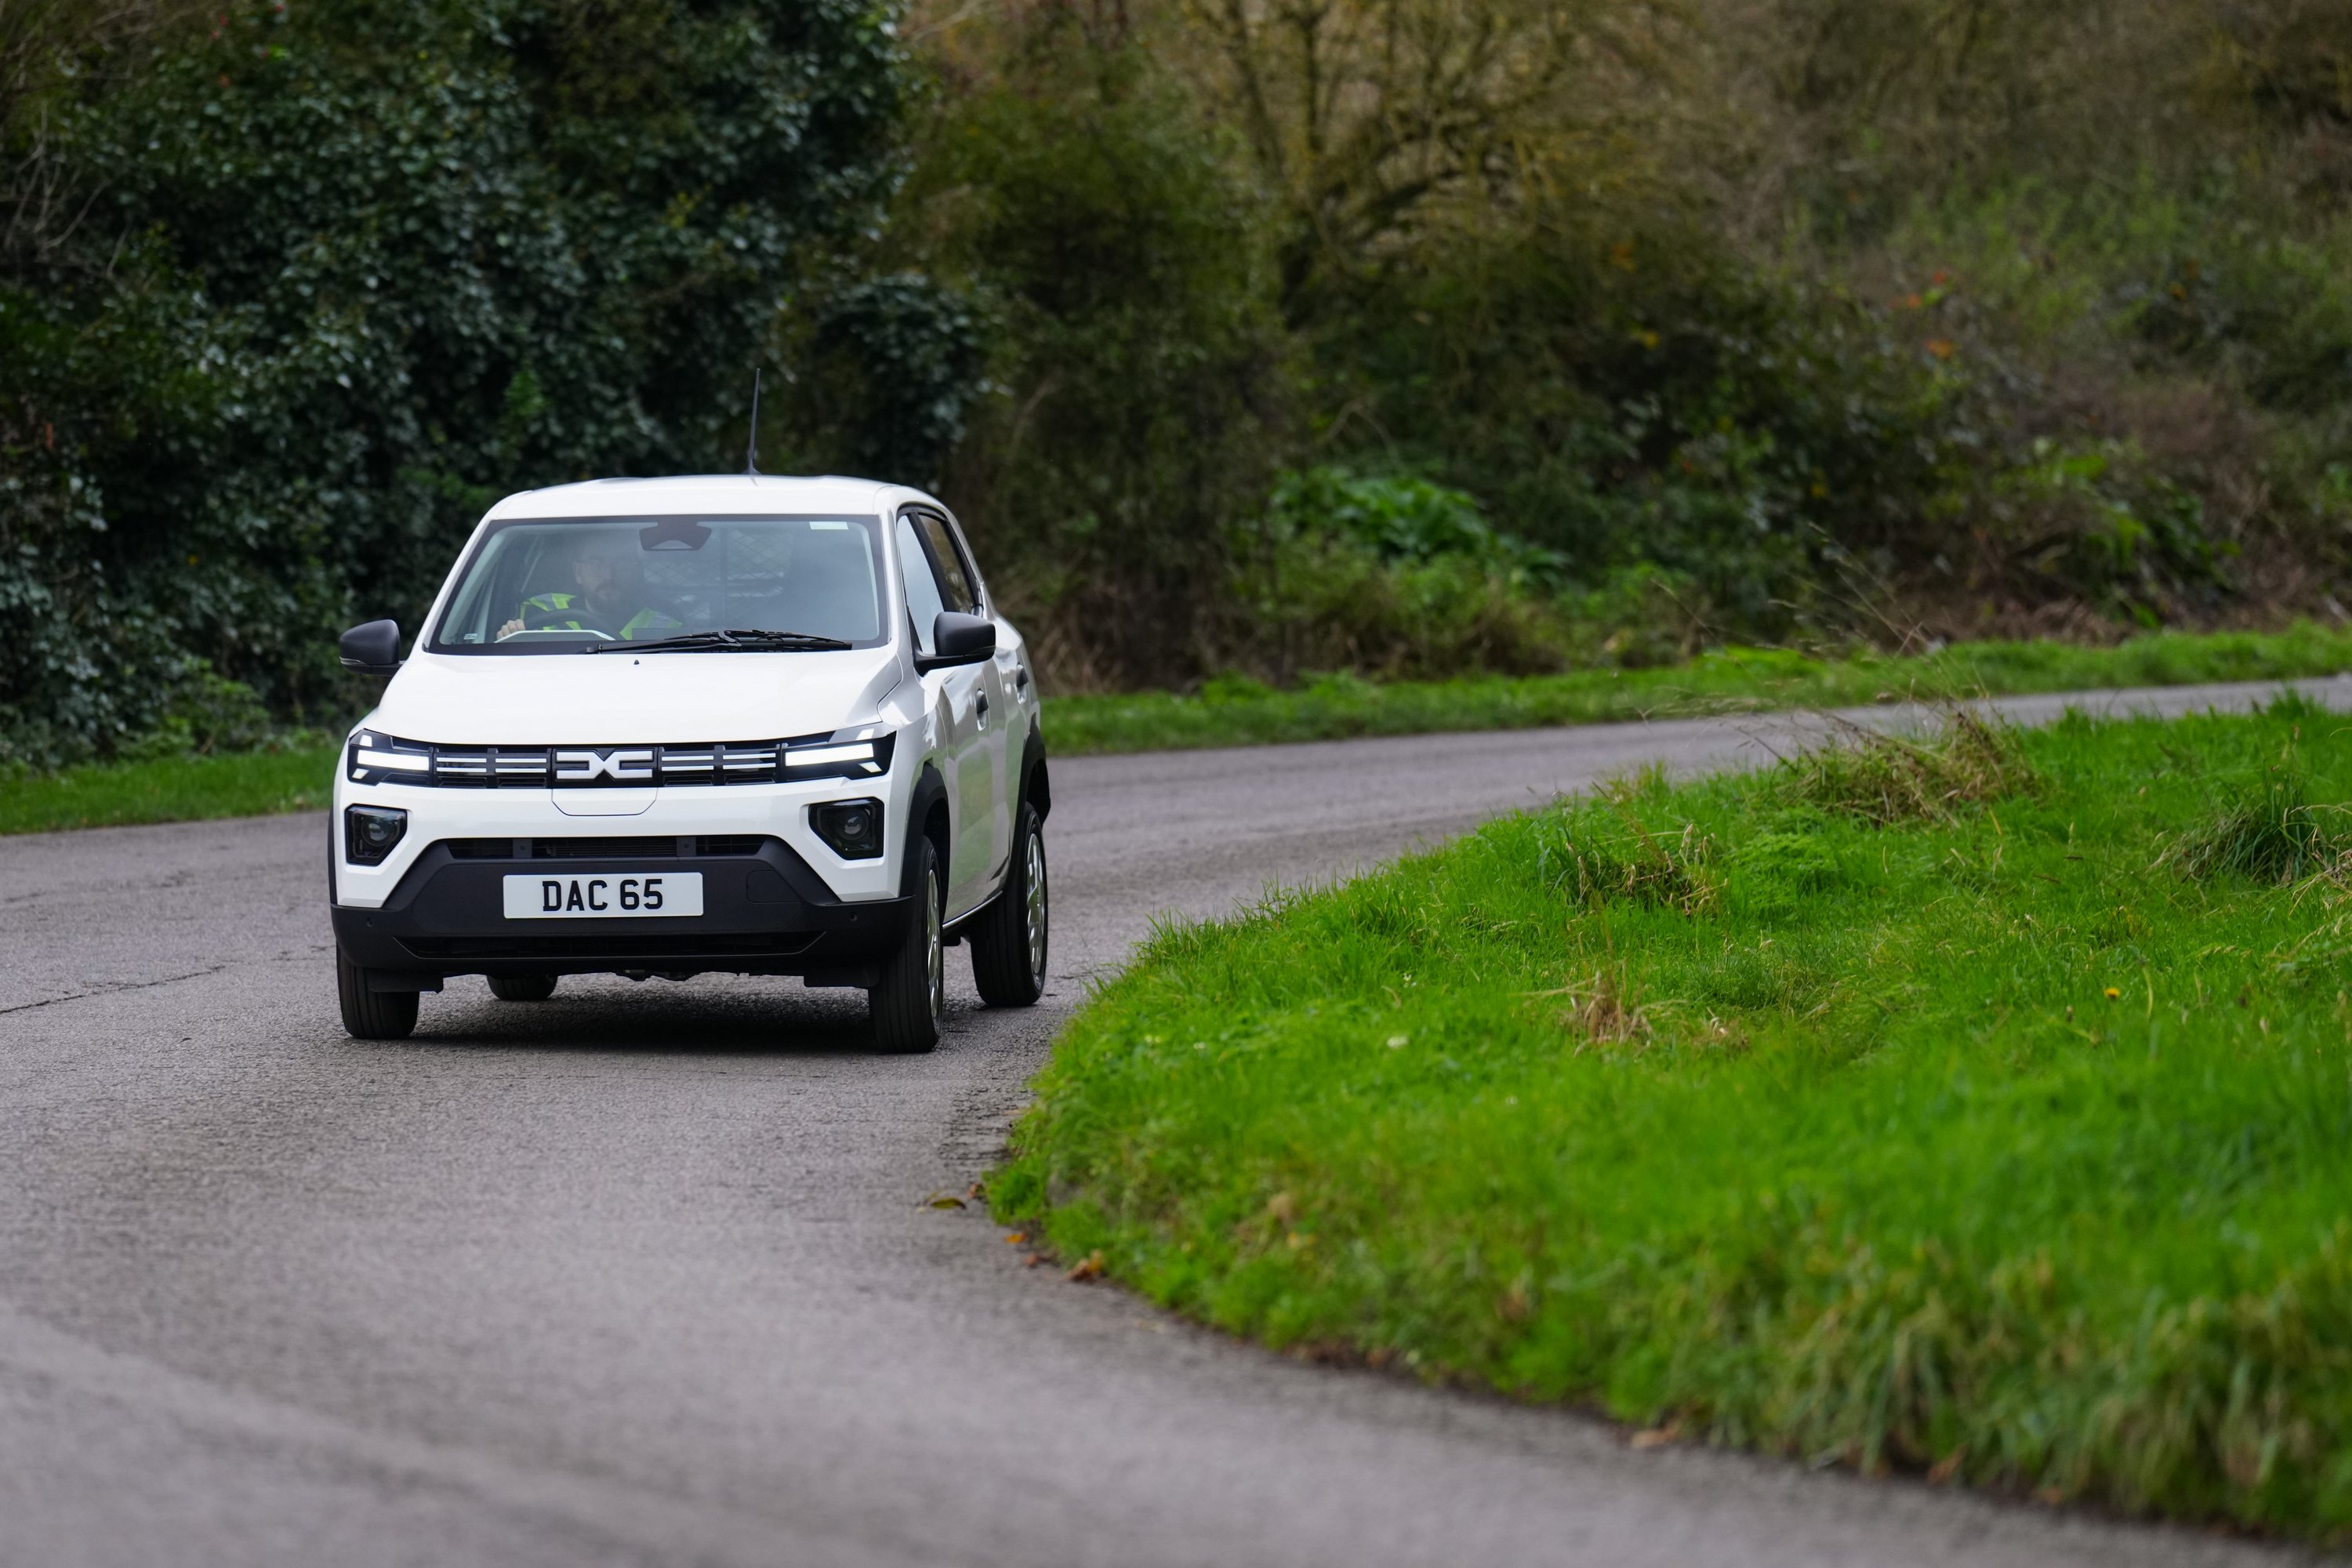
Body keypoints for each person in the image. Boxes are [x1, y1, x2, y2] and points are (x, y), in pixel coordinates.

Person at [498, 538, 682, 641]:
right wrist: (508, 638)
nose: (609, 575)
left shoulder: (668, 627)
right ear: (578, 572)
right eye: (596, 562)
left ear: (634, 571)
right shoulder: (536, 611)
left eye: (621, 562)